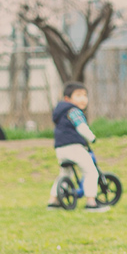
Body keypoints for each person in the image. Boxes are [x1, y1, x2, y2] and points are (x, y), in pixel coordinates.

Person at [47, 82, 109, 212]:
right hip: (74, 147)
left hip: (60, 149)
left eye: (85, 95)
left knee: (65, 174)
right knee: (91, 171)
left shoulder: (60, 112)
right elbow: (81, 127)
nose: (83, 99)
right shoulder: (74, 111)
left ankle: (53, 201)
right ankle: (91, 202)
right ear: (67, 99)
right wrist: (91, 137)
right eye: (78, 95)